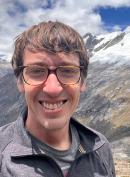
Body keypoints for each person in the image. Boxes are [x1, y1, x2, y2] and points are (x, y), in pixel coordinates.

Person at [0, 21, 115, 177]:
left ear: (82, 82)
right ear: (20, 82)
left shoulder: (100, 147)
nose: (53, 89)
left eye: (68, 71)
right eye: (36, 71)